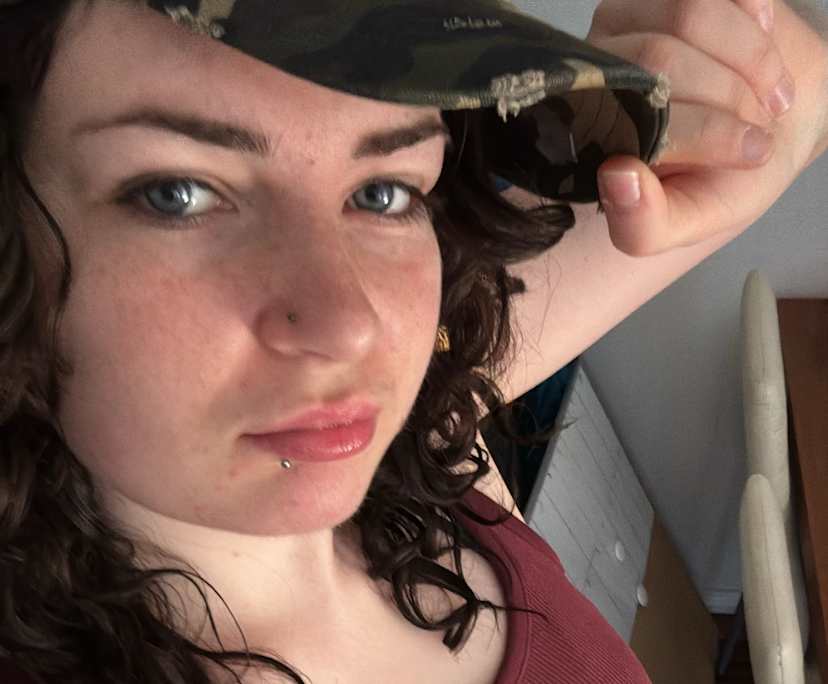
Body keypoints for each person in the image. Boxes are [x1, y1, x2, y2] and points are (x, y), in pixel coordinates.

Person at [0, 1, 824, 683]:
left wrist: (731, 74)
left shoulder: (418, 436)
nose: (351, 324)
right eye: (176, 194)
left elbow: (795, 104)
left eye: (385, 192)